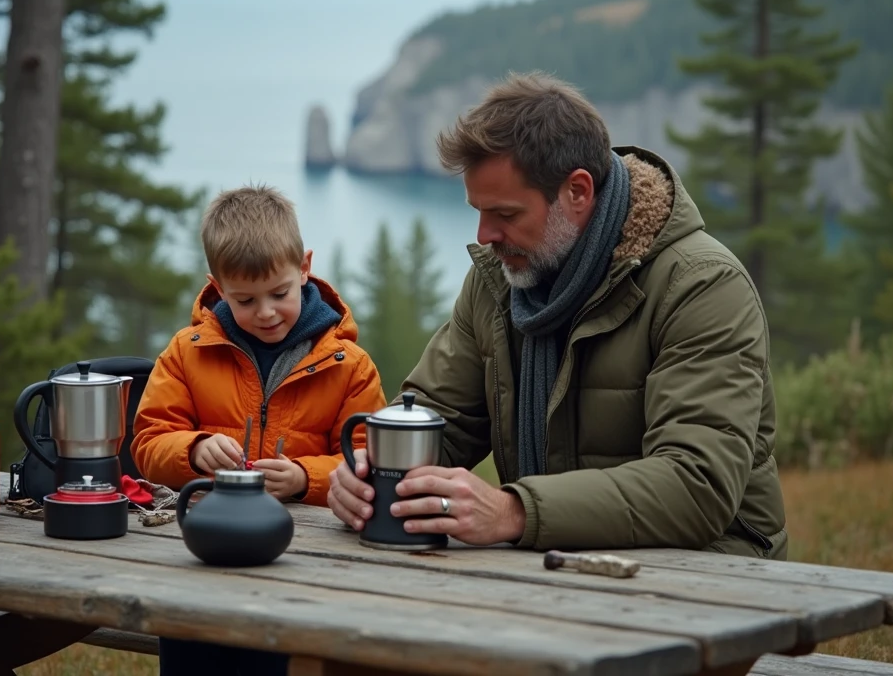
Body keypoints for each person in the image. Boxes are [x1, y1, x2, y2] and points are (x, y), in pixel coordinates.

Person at [327, 71, 788, 560]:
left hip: (712, 567)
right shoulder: (500, 280)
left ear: (578, 192)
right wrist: (370, 477)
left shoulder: (701, 286)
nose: (485, 236)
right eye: (478, 211)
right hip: (558, 558)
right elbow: (435, 417)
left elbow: (698, 486)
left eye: (505, 215)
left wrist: (514, 512)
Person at [131, 184, 387, 675]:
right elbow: (148, 441)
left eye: (280, 293)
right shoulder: (188, 352)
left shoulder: (349, 366)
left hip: (305, 563)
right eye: (245, 300)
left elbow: (367, 461)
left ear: (305, 267)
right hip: (203, 549)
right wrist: (194, 449)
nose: (266, 312)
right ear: (218, 286)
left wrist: (303, 478)